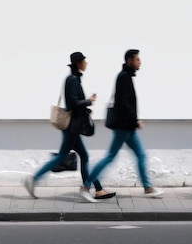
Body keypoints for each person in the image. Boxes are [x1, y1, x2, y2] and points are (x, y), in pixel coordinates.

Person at [23, 52, 116, 200]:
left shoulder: (74, 79)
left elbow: (74, 103)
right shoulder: (72, 80)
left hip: (73, 126)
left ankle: (97, 189)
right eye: (84, 61)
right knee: (62, 156)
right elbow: (72, 103)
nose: (86, 64)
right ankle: (34, 179)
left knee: (83, 156)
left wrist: (86, 108)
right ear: (79, 63)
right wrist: (88, 101)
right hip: (71, 127)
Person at [79, 49, 164, 202]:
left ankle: (148, 187)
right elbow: (124, 103)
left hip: (128, 127)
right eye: (137, 59)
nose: (140, 62)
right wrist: (135, 119)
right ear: (129, 60)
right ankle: (86, 186)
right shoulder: (124, 77)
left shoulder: (126, 76)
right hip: (124, 127)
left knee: (140, 155)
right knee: (110, 157)